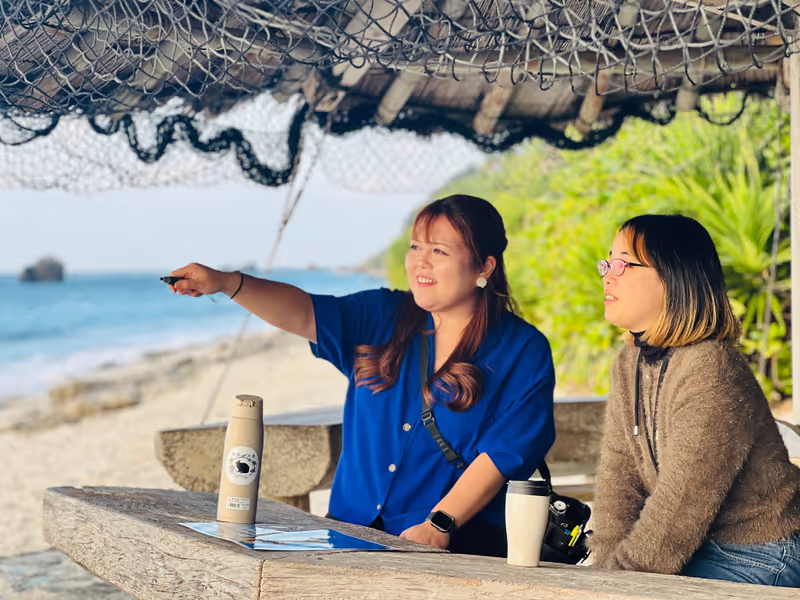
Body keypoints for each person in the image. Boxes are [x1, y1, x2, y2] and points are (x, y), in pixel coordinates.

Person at [169, 194, 555, 557]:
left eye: (439, 251)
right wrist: (226, 283)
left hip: (452, 547)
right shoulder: (383, 315)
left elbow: (503, 454)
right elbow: (304, 313)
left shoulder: (523, 350)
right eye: (416, 247)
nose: (421, 262)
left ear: (484, 266)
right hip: (350, 535)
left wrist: (439, 524)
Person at [591, 214, 800, 586]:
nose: (608, 274)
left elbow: (681, 503)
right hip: (694, 545)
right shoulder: (629, 362)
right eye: (608, 262)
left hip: (761, 551)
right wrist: (602, 570)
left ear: (673, 276)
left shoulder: (711, 366)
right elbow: (618, 477)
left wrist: (616, 583)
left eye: (623, 263)